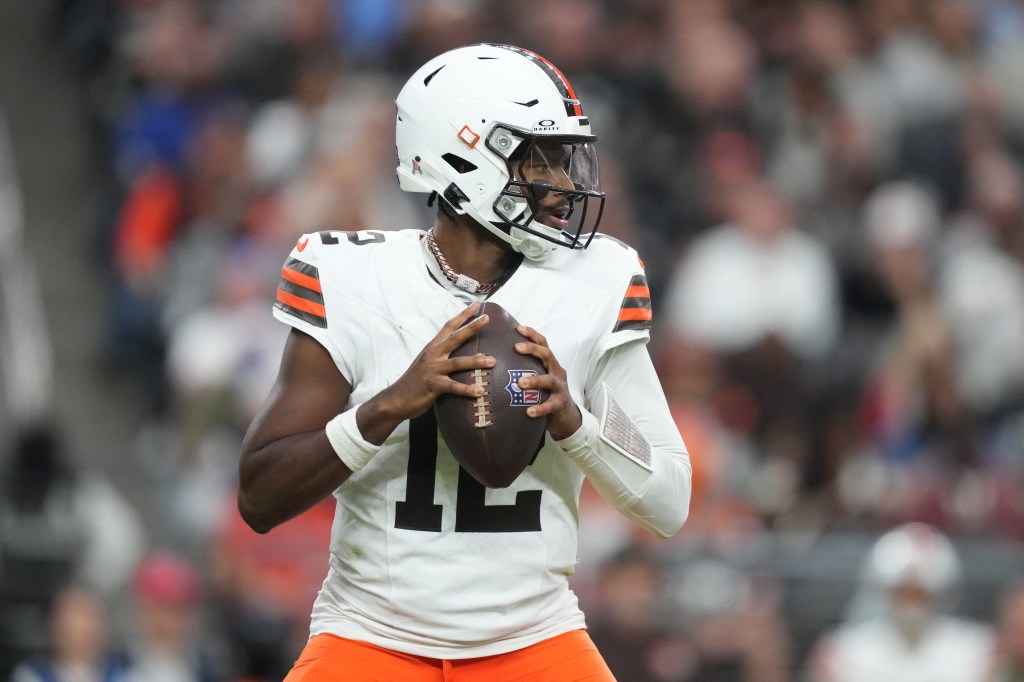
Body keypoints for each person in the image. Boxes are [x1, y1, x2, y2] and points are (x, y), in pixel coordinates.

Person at [237, 43, 693, 681]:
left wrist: (576, 422)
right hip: (372, 638)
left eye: (565, 162)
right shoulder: (351, 276)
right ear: (464, 156)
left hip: (535, 639)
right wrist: (386, 406)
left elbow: (668, 501)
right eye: (540, 161)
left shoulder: (597, 278)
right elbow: (259, 497)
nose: (564, 187)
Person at [805, 522, 996, 682]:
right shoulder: (842, 651)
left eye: (920, 595)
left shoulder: (975, 650)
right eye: (902, 593)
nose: (911, 605)